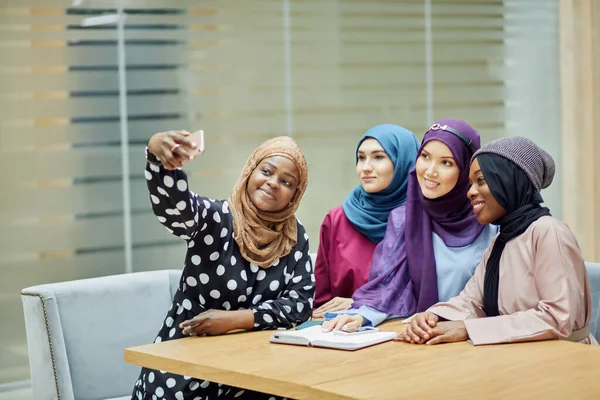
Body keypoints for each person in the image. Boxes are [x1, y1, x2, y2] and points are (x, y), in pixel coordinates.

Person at [131, 131, 314, 399]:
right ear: (250, 171)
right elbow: (176, 209)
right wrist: (158, 158)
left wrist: (235, 320)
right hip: (188, 368)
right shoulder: (215, 219)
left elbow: (299, 305)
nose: (273, 183)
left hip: (256, 373)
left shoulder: (293, 236)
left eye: (286, 181)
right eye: (266, 171)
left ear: (294, 195)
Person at [402, 137, 598, 346]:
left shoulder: (548, 231)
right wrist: (433, 317)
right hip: (518, 359)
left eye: (481, 180)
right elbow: (471, 301)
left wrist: (467, 328)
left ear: (508, 180)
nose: (470, 192)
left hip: (568, 360)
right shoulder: (501, 241)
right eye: (470, 184)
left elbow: (558, 318)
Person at [322, 119, 498, 332]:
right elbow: (389, 285)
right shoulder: (405, 218)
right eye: (425, 157)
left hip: (473, 339)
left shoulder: (490, 221)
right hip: (421, 337)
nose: (430, 171)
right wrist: (360, 315)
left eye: (446, 163)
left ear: (465, 170)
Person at [312, 125, 419, 318]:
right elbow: (322, 304)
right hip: (343, 334)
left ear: (404, 161)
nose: (366, 167)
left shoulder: (421, 219)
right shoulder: (337, 220)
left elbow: (425, 295)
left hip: (405, 335)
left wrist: (359, 303)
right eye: (361, 158)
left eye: (378, 157)